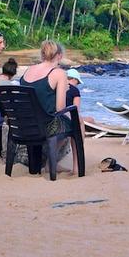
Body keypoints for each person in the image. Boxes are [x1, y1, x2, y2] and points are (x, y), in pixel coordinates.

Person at [19, 40, 78, 174]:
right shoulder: (58, 73)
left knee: (63, 121)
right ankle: (75, 168)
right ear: (59, 56)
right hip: (46, 127)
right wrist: (64, 90)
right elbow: (60, 108)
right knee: (77, 121)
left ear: (42, 54)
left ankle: (51, 163)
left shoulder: (28, 70)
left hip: (26, 126)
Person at [65, 68, 87, 138]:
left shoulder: (57, 87)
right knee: (80, 122)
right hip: (66, 116)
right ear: (74, 79)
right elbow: (76, 110)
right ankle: (79, 147)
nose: (77, 85)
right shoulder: (74, 90)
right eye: (78, 82)